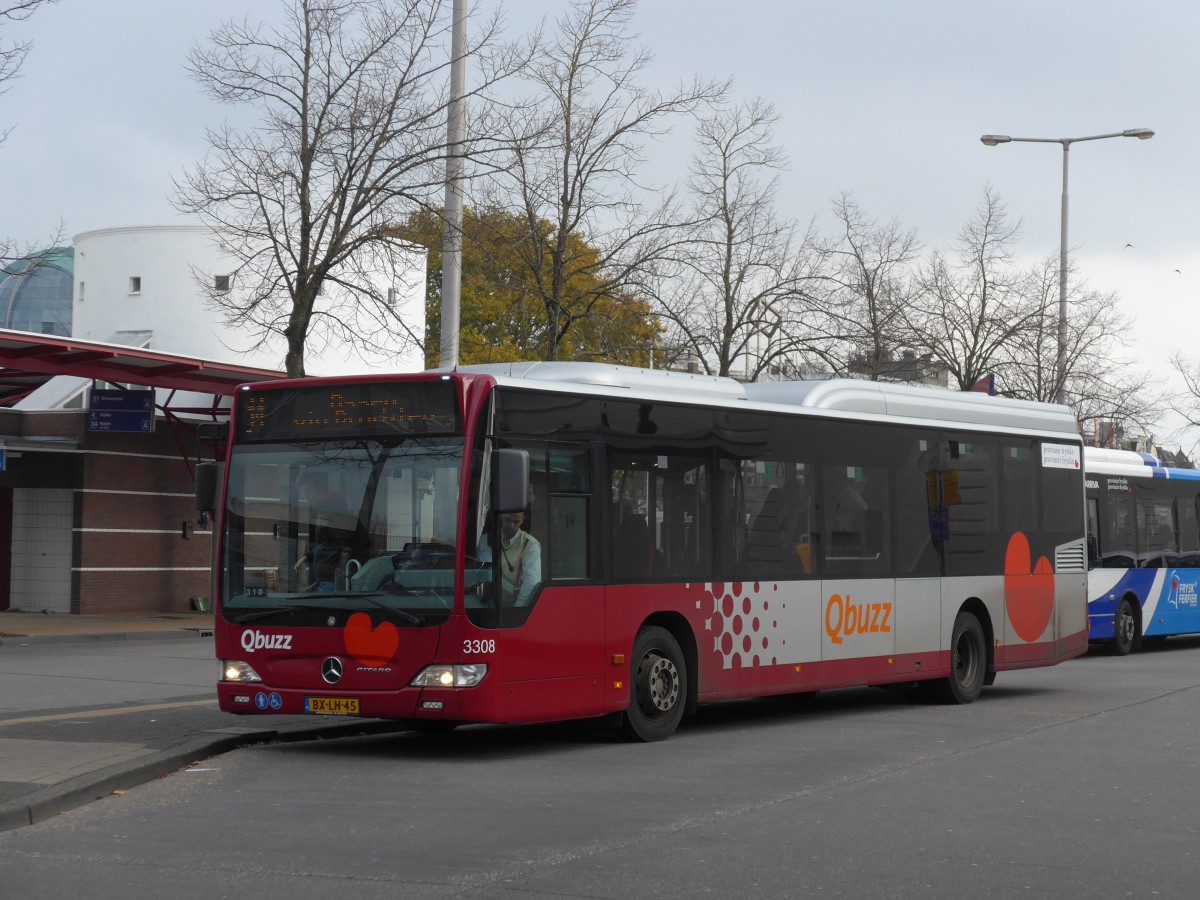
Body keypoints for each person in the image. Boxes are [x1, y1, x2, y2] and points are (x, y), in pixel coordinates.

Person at [293, 472, 355, 592]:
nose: (306, 497)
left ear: (320, 487)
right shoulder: (322, 510)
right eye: (303, 493)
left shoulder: (334, 510)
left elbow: (345, 546)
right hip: (324, 578)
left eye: (308, 491)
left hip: (332, 580)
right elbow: (326, 543)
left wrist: (341, 577)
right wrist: (307, 557)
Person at [478, 511, 542, 605]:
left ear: (523, 520)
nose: (511, 526)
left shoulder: (530, 545)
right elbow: (485, 572)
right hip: (486, 602)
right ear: (501, 516)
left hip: (514, 604)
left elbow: (531, 582)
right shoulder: (486, 539)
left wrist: (518, 608)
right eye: (508, 520)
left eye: (516, 522)